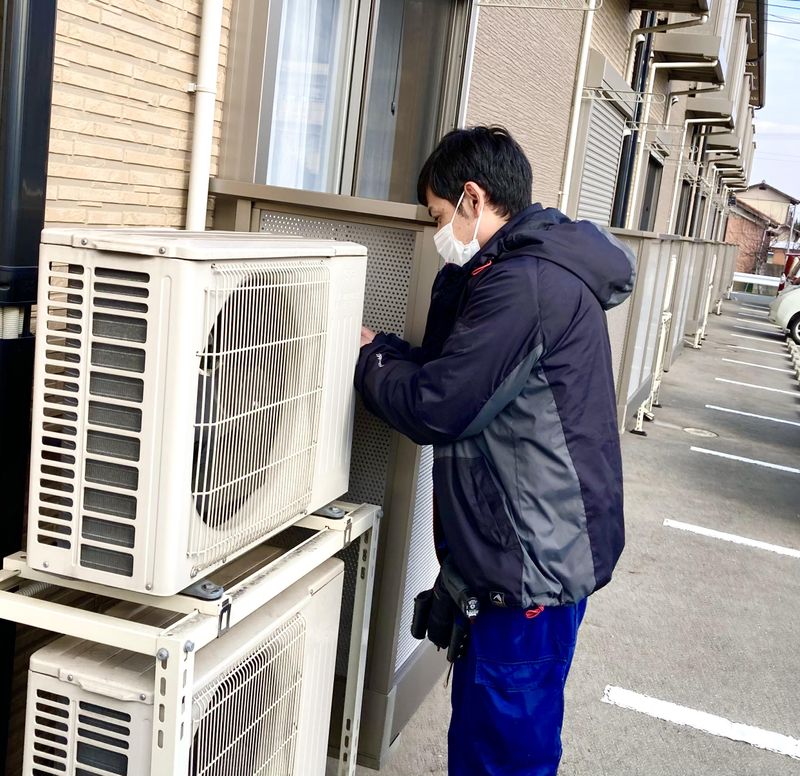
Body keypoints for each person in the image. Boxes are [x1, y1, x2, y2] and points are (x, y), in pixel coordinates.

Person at [354, 126, 634, 775]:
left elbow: (440, 405)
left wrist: (366, 362)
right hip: (538, 549)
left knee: (503, 752)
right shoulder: (517, 270)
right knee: (499, 736)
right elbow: (456, 370)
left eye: (438, 216)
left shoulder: (522, 284)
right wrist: (383, 350)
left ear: (473, 199)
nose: (437, 232)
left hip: (529, 566)